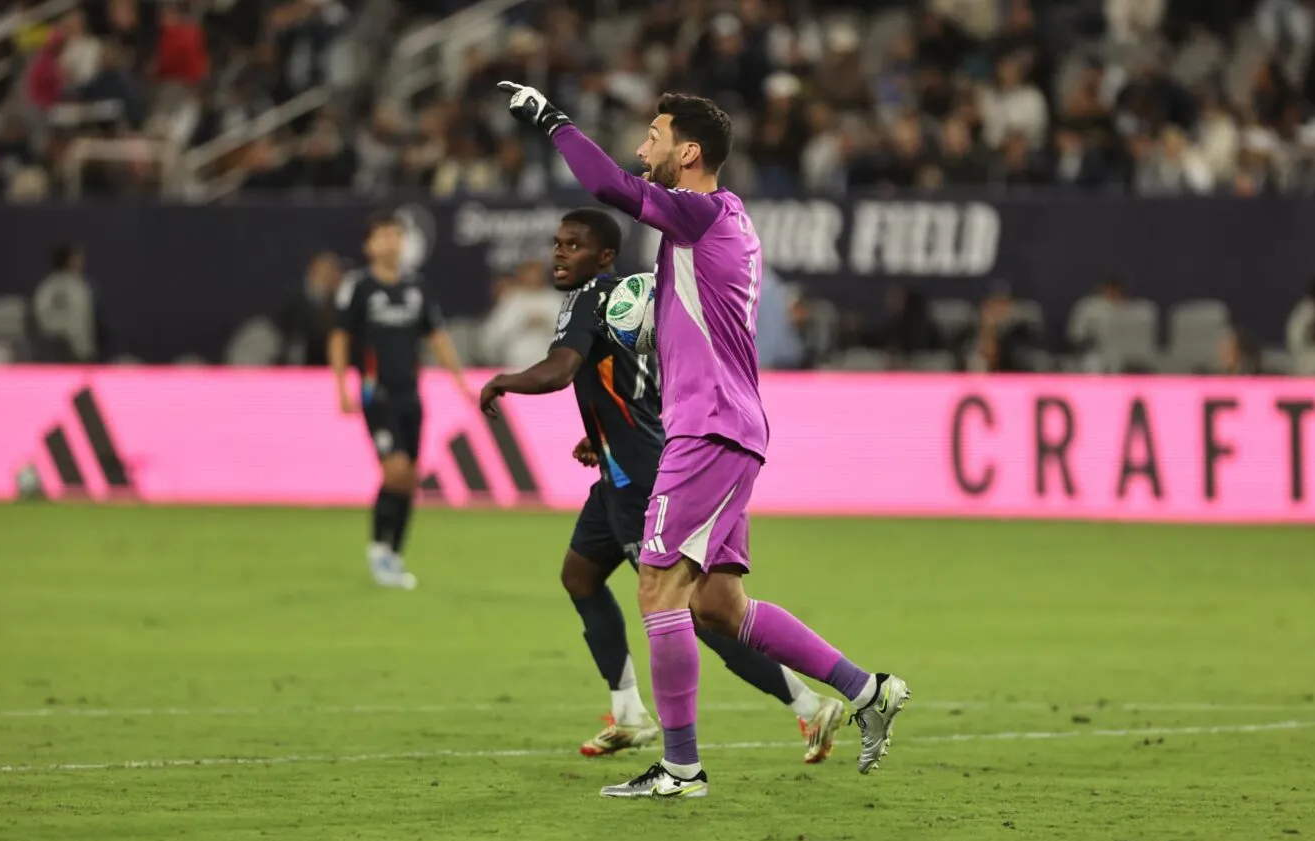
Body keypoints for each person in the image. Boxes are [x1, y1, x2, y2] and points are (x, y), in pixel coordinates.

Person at [498, 83, 910, 799]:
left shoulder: (698, 214)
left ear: (687, 152)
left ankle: (681, 765)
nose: (640, 148)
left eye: (653, 136)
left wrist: (553, 119)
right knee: (718, 606)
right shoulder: (730, 221)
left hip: (708, 427)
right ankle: (866, 688)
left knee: (657, 584)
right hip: (730, 426)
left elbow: (605, 183)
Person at [478, 209, 846, 763]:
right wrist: (597, 434)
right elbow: (638, 382)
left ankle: (807, 705)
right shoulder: (638, 302)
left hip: (640, 480)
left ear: (604, 257)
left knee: (695, 611)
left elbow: (560, 369)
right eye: (557, 244)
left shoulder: (589, 300)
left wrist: (504, 379)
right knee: (579, 575)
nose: (559, 254)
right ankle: (628, 712)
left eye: (573, 246)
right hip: (620, 467)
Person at [329, 211, 469, 589]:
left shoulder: (417, 287)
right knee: (395, 471)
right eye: (383, 236)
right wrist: (342, 387)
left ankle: (395, 553)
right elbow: (340, 337)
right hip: (377, 394)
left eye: (396, 235)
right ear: (369, 245)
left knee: (409, 479)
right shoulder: (358, 287)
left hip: (411, 394)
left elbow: (436, 336)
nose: (391, 242)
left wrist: (460, 382)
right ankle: (378, 549)